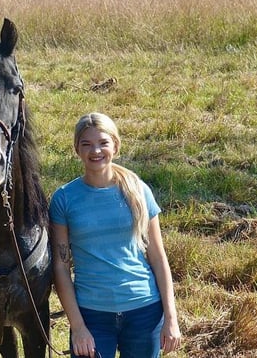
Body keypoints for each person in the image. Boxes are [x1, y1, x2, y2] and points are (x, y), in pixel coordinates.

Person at [50, 113, 182, 357]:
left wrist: (171, 319)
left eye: (103, 143)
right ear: (76, 149)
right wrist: (78, 327)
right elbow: (60, 266)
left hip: (145, 310)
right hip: (92, 315)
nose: (95, 151)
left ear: (116, 145)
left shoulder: (139, 190)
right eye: (86, 144)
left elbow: (158, 257)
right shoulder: (64, 198)